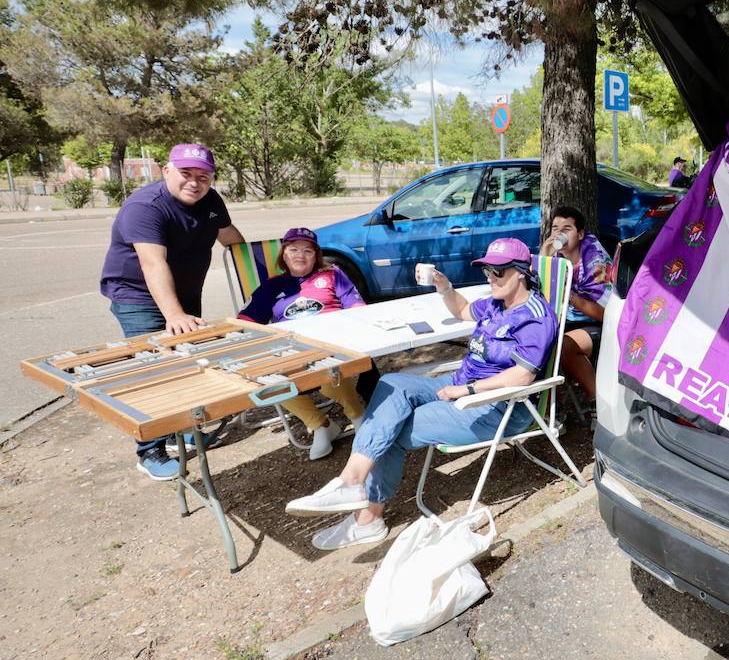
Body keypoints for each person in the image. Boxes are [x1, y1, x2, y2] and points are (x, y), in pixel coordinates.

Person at [284, 238, 557, 551]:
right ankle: (351, 482)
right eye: (487, 272)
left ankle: (368, 519)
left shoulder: (535, 316)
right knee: (391, 386)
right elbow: (465, 309)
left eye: (498, 272)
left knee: (394, 424)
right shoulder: (497, 302)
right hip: (460, 385)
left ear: (521, 273)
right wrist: (444, 287)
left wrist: (466, 390)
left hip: (496, 407)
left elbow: (522, 375)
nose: (491, 278)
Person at [100, 142, 245, 480]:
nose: (194, 182)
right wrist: (174, 314)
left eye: (203, 176)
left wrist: (262, 270)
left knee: (188, 363)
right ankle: (149, 449)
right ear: (166, 171)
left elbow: (231, 239)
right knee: (155, 370)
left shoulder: (210, 201)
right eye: (186, 174)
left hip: (183, 295)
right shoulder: (145, 207)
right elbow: (153, 263)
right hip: (138, 295)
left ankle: (185, 430)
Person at [237, 227, 369, 459]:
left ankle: (359, 419)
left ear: (316, 255)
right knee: (267, 382)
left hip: (331, 343)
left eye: (308, 250)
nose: (300, 255)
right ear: (284, 255)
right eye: (294, 249)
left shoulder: (332, 274)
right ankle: (321, 426)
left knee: (330, 375)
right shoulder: (272, 285)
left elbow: (356, 305)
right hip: (290, 350)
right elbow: (246, 321)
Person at [539, 205, 613, 397]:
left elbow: (605, 314)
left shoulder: (595, 262)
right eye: (555, 228)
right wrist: (544, 256)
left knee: (564, 346)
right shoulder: (556, 256)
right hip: (567, 321)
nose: (559, 234)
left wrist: (568, 296)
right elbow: (538, 287)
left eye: (566, 229)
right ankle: (535, 405)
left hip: (599, 325)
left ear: (580, 235)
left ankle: (600, 403)